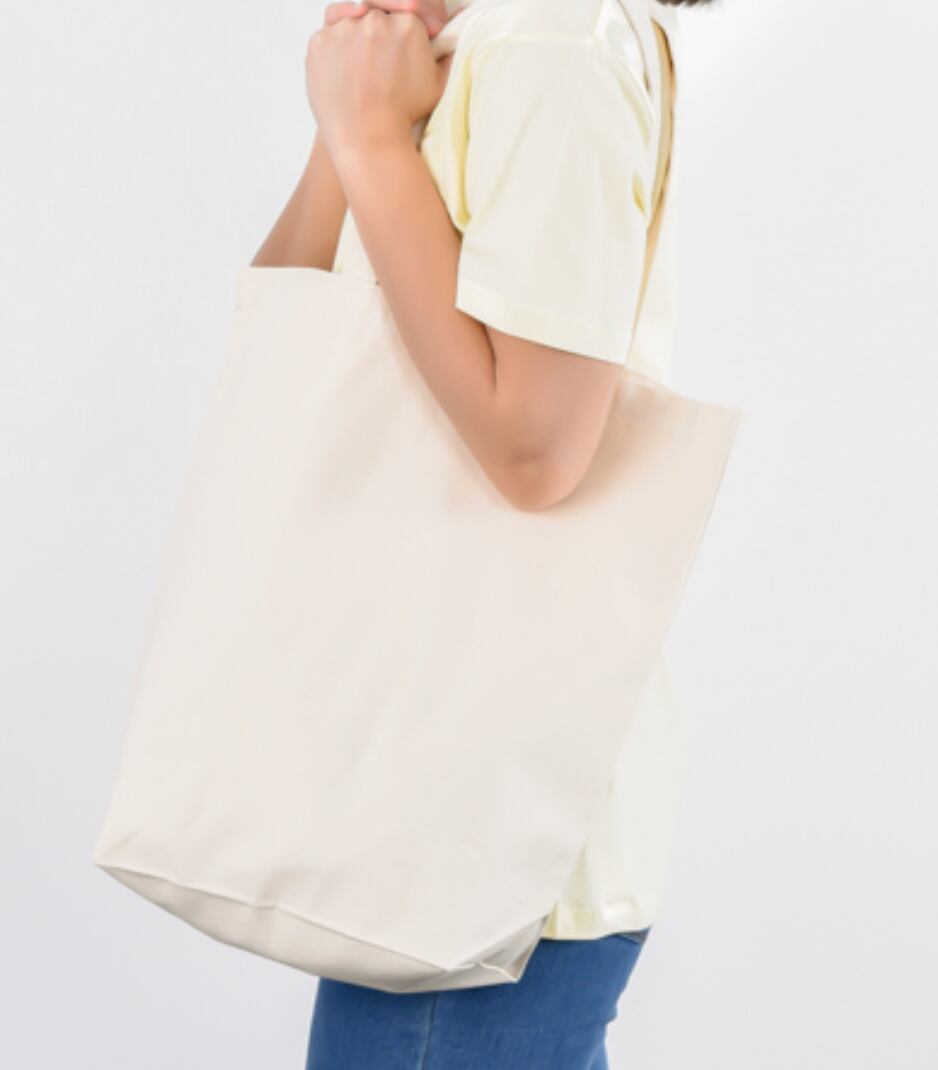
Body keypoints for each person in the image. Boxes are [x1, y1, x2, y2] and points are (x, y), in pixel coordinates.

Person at [251, 0, 713, 1066]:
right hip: (424, 791)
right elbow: (277, 358)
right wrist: (353, 125)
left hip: (483, 838)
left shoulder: (556, 42)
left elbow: (535, 451)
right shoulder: (481, 39)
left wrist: (374, 141)